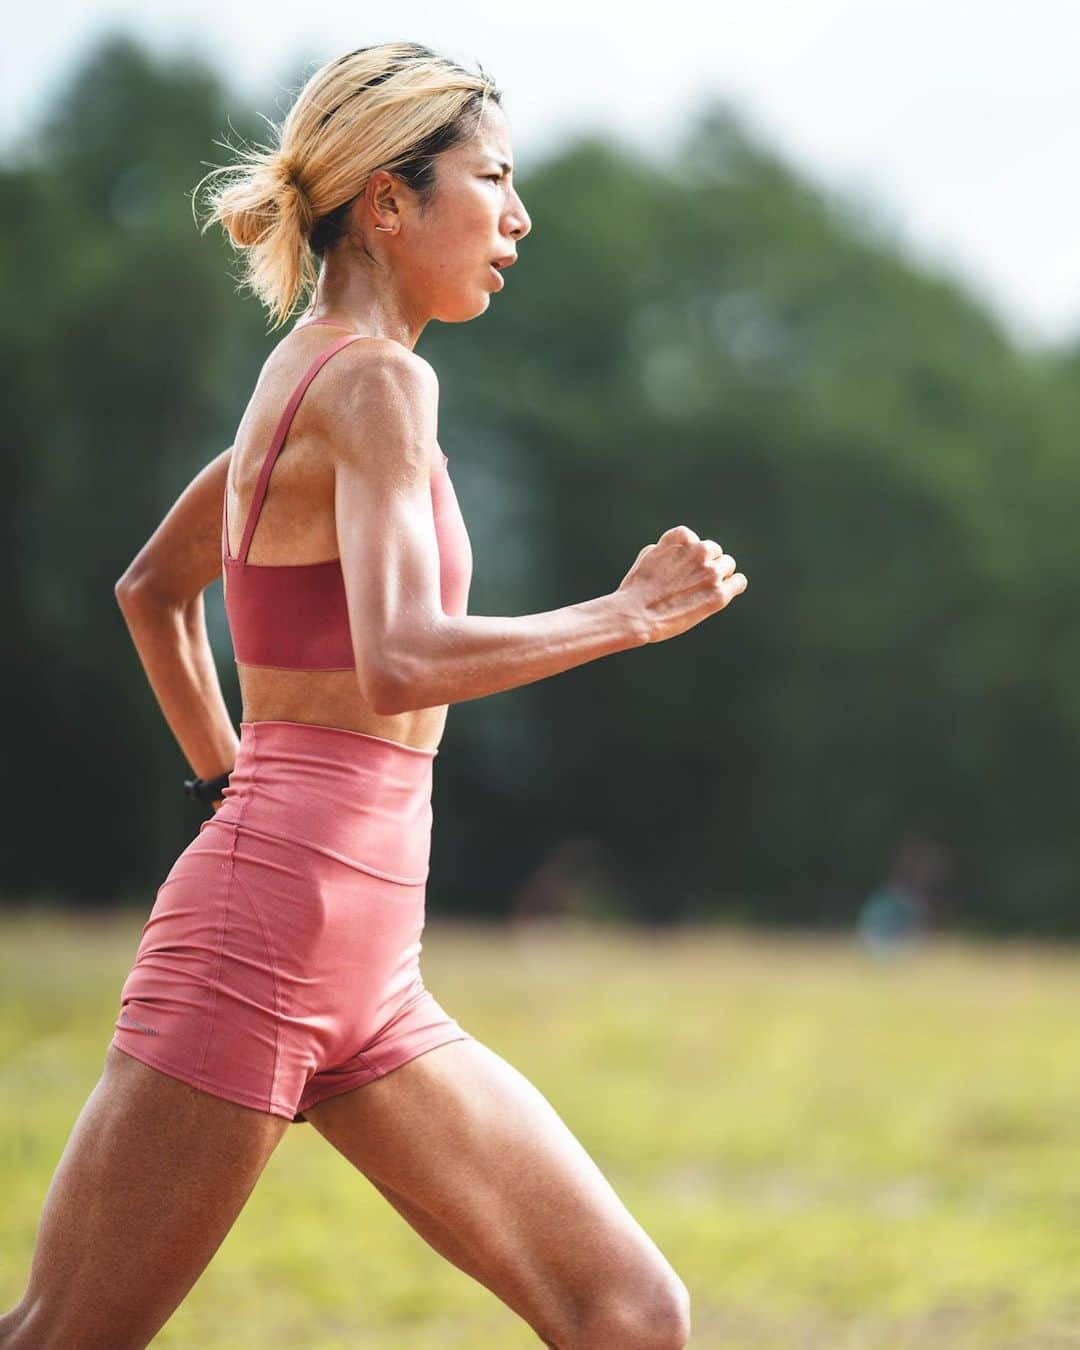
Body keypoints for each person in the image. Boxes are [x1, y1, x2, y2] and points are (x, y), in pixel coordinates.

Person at [0, 41, 747, 1350]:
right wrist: (625, 615)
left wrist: (235, 789)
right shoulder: (378, 385)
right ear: (389, 204)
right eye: (495, 180)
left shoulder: (301, 380)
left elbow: (150, 592)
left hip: (367, 968)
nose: (519, 217)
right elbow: (399, 656)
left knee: (629, 1312)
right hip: (266, 945)